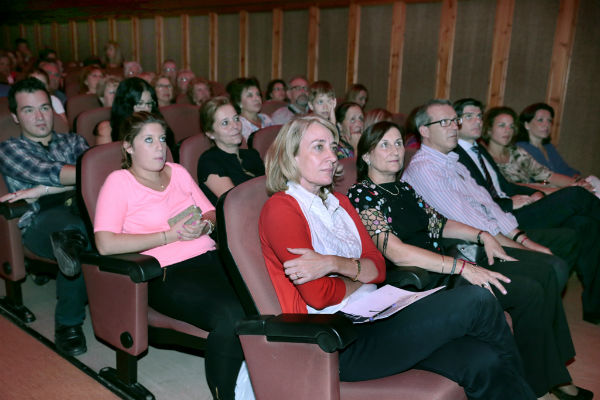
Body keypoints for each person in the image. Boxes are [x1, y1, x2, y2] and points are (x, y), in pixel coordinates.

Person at [259, 114, 535, 400]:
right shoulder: (282, 209)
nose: (332, 156)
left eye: (333, 147)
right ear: (290, 156)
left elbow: (377, 267)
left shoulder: (339, 201)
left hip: (377, 312)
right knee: (477, 301)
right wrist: (359, 273)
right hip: (338, 340)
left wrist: (333, 264)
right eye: (319, 147)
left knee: (481, 360)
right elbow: (318, 295)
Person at [349, 121, 592, 400]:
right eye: (384, 144)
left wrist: (481, 234)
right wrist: (462, 266)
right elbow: (396, 252)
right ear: (366, 156)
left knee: (532, 289)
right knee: (524, 291)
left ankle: (545, 378)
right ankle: (535, 383)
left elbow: (439, 224)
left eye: (398, 143)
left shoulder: (403, 189)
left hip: (443, 273)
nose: (395, 151)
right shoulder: (362, 194)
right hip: (413, 287)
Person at [405, 99, 600, 323]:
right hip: (468, 246)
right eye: (447, 121)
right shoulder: (429, 168)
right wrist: (524, 246)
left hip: (496, 223)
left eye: (455, 121)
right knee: (555, 256)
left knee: (580, 227)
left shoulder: (455, 161)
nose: (455, 126)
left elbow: (490, 199)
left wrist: (526, 241)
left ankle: (568, 312)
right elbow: (473, 220)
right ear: (424, 131)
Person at [94, 111, 245, 400]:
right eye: (148, 140)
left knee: (260, 297)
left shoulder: (178, 172)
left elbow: (211, 211)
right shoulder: (119, 182)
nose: (159, 147)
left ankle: (260, 379)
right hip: (164, 272)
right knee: (232, 314)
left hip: (209, 257)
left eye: (162, 139)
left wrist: (205, 224)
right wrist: (169, 236)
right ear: (128, 146)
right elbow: (105, 243)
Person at [0, 78, 90, 357]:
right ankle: (68, 324)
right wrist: (53, 185)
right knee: (73, 234)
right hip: (40, 222)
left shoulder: (74, 140)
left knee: (93, 226)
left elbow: (97, 174)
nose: (40, 117)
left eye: (44, 108)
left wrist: (44, 190)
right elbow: (58, 172)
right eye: (29, 110)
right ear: (15, 116)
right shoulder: (10, 149)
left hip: (82, 209)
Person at [481, 106, 594, 194]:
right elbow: (511, 187)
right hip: (517, 205)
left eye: (511, 126)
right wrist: (559, 191)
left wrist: (577, 184)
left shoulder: (516, 152)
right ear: (489, 130)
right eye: (502, 125)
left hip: (538, 196)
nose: (508, 131)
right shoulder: (483, 158)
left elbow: (547, 175)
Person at [516, 103, 599, 192]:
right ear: (526, 125)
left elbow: (565, 169)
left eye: (549, 121)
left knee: (594, 181)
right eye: (540, 120)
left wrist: (578, 179)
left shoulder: (548, 147)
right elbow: (537, 179)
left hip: (564, 187)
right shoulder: (520, 148)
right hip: (543, 192)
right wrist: (575, 184)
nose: (546, 124)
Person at [197, 97, 264, 204]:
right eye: (225, 123)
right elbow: (236, 203)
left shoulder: (252, 154)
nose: (235, 126)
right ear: (210, 133)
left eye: (236, 119)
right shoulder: (208, 162)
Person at [96, 77, 173, 149]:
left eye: (149, 103)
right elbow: (106, 161)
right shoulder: (107, 129)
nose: (146, 109)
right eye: (140, 104)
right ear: (126, 106)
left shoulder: (157, 124)